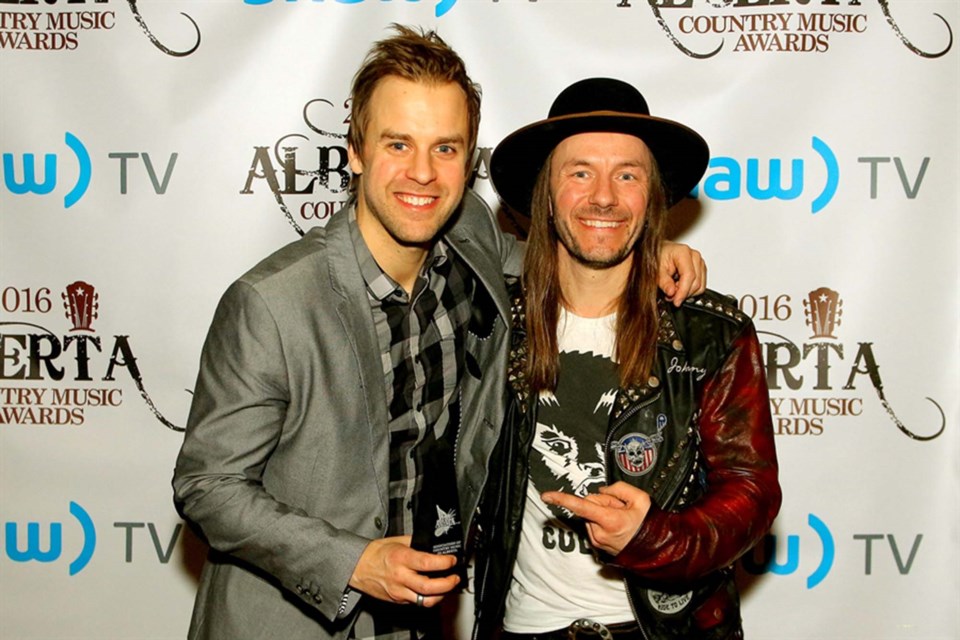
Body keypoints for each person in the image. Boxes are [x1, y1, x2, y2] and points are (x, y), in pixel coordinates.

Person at [173, 27, 706, 640]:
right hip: (286, 621)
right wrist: (353, 562)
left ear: (468, 159)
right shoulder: (271, 304)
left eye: (446, 149)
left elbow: (555, 254)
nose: (422, 174)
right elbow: (207, 485)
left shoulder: (470, 239)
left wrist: (644, 249)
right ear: (356, 150)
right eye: (398, 143)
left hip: (419, 621)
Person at [474, 78, 782, 640]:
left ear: (652, 197)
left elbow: (752, 491)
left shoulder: (709, 332)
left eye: (627, 175)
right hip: (523, 627)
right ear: (547, 194)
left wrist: (652, 537)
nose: (605, 197)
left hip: (666, 628)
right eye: (580, 172)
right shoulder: (491, 322)